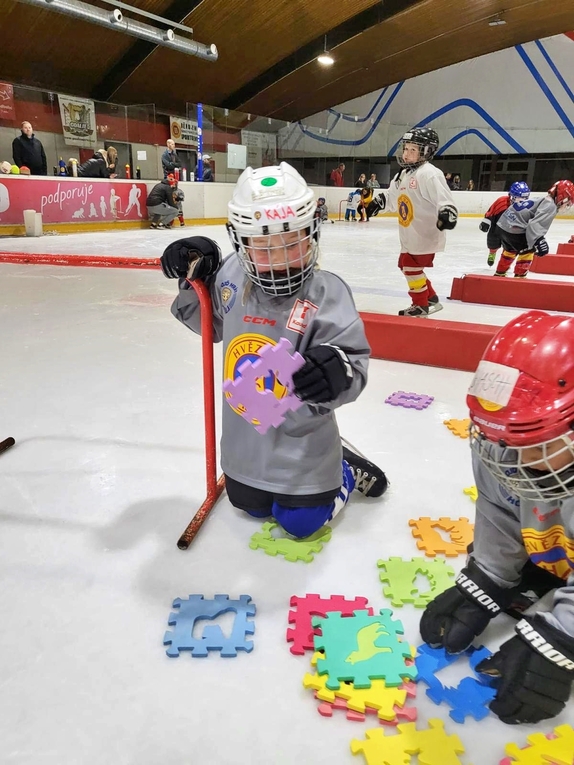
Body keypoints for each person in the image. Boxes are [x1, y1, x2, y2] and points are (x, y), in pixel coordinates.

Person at [159, 162, 388, 539]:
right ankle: (294, 475)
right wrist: (194, 277)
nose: (280, 258)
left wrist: (337, 369)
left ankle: (342, 468)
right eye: (264, 247)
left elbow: (354, 362)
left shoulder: (326, 293)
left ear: (312, 232)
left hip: (302, 445)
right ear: (242, 243)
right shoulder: (231, 276)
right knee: (247, 505)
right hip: (244, 442)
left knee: (299, 524)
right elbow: (206, 325)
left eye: (292, 241)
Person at [420, 309, 574, 726]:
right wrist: (489, 575)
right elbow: (498, 506)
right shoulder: (502, 442)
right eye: (504, 435)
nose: (513, 459)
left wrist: (564, 636)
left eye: (535, 439)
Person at [369, 127, 458, 317]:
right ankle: (431, 298)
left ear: (426, 152)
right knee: (406, 265)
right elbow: (393, 199)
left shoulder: (429, 174)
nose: (407, 154)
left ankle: (420, 305)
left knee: (410, 267)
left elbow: (444, 199)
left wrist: (446, 213)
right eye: (406, 148)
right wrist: (378, 204)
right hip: (409, 233)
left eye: (413, 150)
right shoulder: (402, 174)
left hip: (425, 234)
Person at [493, 180, 574, 278]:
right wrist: (539, 240)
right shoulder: (550, 206)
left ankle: (500, 272)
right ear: (563, 197)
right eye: (568, 202)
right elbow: (535, 224)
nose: (568, 205)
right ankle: (520, 276)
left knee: (510, 249)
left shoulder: (543, 199)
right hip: (514, 229)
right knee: (528, 250)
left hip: (502, 226)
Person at [479, 181, 531, 267]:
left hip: (512, 230)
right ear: (511, 195)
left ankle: (504, 259)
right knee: (493, 241)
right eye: (517, 198)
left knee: (509, 246)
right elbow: (491, 211)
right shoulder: (501, 201)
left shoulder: (527, 207)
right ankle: (492, 253)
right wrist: (486, 221)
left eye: (523, 199)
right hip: (497, 227)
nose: (520, 202)